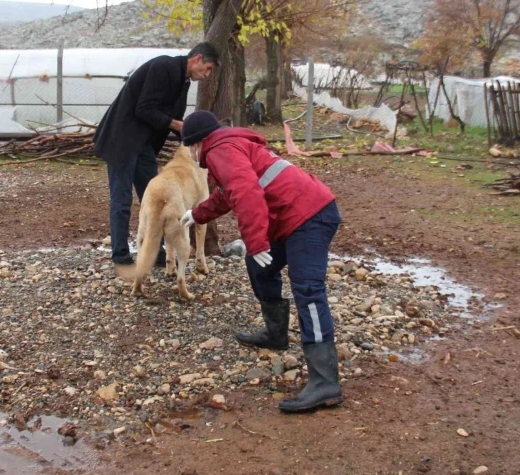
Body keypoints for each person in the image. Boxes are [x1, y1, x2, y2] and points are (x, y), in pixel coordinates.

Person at [179, 110, 343, 413]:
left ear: (196, 142)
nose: (189, 152)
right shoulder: (230, 145)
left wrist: (255, 242)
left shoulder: (218, 149)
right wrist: (198, 214)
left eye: (188, 146)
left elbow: (245, 192)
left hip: (309, 215)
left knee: (308, 289)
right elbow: (230, 193)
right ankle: (276, 333)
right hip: (294, 216)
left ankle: (325, 381)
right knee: (260, 267)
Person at [93, 42, 220, 266]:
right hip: (122, 140)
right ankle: (121, 256)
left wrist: (193, 137)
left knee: (154, 198)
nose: (207, 74)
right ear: (197, 58)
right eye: (207, 68)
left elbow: (172, 122)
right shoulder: (164, 67)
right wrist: (179, 125)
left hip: (144, 145)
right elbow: (145, 108)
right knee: (121, 200)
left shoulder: (183, 81)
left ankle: (156, 252)